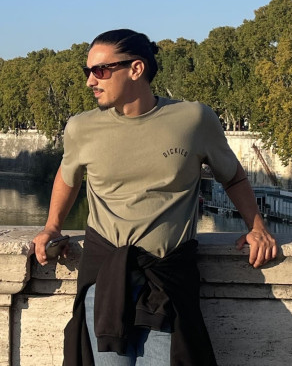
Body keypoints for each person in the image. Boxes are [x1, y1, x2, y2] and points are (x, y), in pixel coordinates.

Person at [32, 29, 277, 365]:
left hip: (168, 278)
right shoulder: (81, 127)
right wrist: (52, 227)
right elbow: (67, 175)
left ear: (136, 68)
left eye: (100, 70)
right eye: (87, 71)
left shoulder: (194, 119)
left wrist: (256, 227)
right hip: (104, 277)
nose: (90, 81)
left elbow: (232, 176)